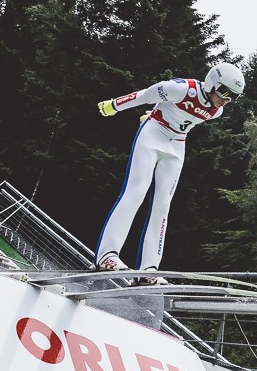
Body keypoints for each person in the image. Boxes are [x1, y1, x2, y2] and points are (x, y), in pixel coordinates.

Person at [93, 63, 246, 284]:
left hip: (176, 146)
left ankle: (149, 269)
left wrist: (161, 113)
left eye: (233, 97)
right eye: (224, 92)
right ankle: (106, 255)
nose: (226, 100)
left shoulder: (217, 111)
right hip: (153, 135)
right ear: (212, 82)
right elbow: (145, 95)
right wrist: (115, 105)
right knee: (136, 192)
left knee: (163, 206)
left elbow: (185, 119)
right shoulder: (181, 89)